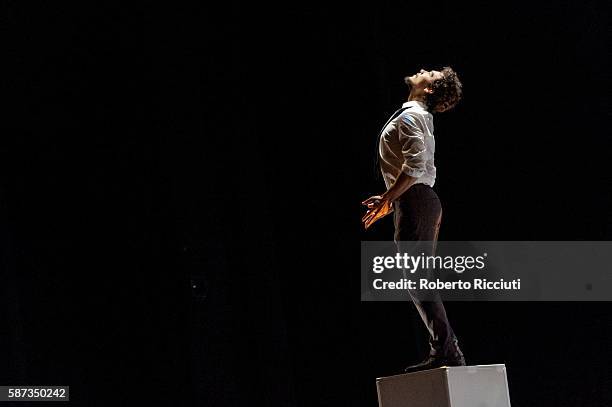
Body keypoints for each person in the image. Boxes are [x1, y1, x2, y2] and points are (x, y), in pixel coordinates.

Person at [362, 67, 465, 372]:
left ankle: (447, 350)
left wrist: (388, 197)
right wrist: (391, 201)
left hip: (417, 201)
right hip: (415, 201)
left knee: (418, 279)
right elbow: (414, 169)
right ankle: (446, 349)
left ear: (430, 90)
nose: (424, 71)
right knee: (416, 279)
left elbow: (417, 165)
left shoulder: (412, 116)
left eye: (431, 74)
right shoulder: (413, 115)